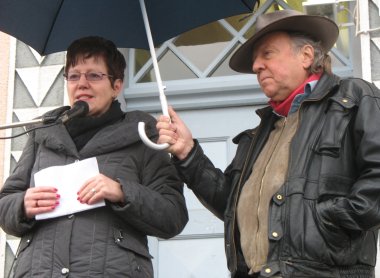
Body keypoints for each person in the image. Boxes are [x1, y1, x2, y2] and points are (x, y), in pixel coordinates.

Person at [156, 9, 380, 278]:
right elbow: (230, 206)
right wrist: (187, 152)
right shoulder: (259, 134)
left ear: (306, 55)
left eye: (267, 54)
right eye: (255, 60)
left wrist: (325, 222)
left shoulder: (353, 98)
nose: (256, 66)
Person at [0, 36, 188, 278]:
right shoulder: (43, 132)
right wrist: (23, 204)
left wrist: (121, 192)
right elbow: (5, 204)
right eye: (74, 76)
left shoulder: (144, 134)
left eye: (94, 75)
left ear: (117, 86)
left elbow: (172, 216)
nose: (82, 84)